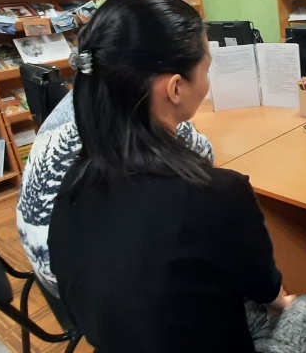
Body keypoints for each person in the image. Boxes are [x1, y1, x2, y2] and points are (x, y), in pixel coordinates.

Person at [46, 0, 306, 352]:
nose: (207, 82)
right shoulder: (216, 195)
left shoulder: (72, 185)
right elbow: (265, 288)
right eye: (206, 69)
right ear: (176, 88)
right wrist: (280, 304)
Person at [16, 89, 213, 297]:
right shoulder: (143, 99)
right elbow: (205, 155)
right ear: (174, 86)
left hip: (54, 268)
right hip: (91, 291)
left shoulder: (85, 94)